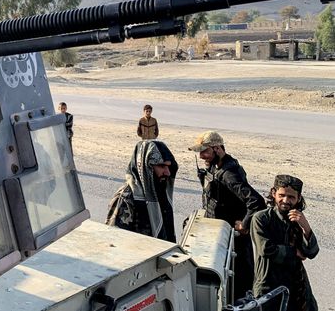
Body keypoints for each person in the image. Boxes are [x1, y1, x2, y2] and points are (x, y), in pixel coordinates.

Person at [189, 130, 266, 299]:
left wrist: (244, 224)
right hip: (220, 235)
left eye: (205, 151)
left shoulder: (229, 174)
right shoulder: (216, 166)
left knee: (237, 286)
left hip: (233, 241)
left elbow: (256, 201)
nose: (201, 156)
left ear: (217, 149)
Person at [251, 175, 318, 311]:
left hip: (297, 287)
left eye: (291, 197)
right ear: (273, 193)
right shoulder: (261, 219)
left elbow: (311, 253)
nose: (286, 200)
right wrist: (294, 253)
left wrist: (306, 227)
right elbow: (266, 249)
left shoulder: (297, 220)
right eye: (282, 195)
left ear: (298, 198)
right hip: (269, 286)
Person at [106, 140, 178, 242]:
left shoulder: (160, 193)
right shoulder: (126, 199)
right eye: (161, 166)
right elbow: (113, 241)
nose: (167, 172)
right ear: (145, 167)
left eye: (168, 167)